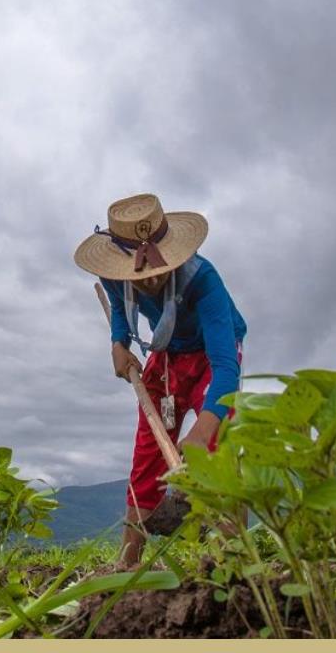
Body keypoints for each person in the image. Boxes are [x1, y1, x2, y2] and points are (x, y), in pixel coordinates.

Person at [73, 193, 246, 567]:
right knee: (148, 451)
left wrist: (202, 430)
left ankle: (240, 559)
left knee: (220, 445)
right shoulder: (115, 274)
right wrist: (118, 342)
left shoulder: (203, 281)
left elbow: (226, 368)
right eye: (140, 275)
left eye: (156, 273)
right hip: (167, 353)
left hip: (212, 356)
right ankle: (128, 562)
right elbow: (120, 307)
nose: (149, 283)